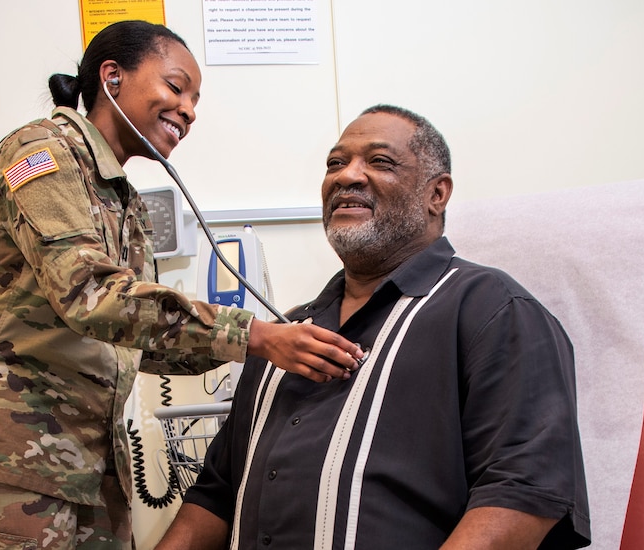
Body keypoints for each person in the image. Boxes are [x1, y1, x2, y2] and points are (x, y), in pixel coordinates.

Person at [0, 20, 363, 549]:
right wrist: (253, 335)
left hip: (90, 469)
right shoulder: (42, 153)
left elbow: (139, 343)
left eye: (196, 99)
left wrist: (270, 347)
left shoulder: (125, 202)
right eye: (176, 87)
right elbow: (90, 296)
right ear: (112, 77)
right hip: (8, 460)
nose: (189, 110)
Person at [155, 104, 592, 549]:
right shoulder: (285, 333)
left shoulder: (490, 309)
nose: (347, 176)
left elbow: (523, 492)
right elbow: (215, 496)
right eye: (335, 163)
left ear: (436, 195)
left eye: (379, 162)